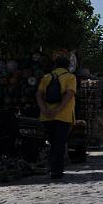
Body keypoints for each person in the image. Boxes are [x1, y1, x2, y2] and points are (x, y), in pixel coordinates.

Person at [35, 51, 77, 180]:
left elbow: (39, 95)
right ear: (67, 65)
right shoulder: (70, 77)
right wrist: (58, 110)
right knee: (59, 144)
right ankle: (56, 171)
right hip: (63, 116)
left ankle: (52, 168)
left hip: (46, 116)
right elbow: (69, 95)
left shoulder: (47, 77)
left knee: (52, 143)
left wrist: (45, 110)